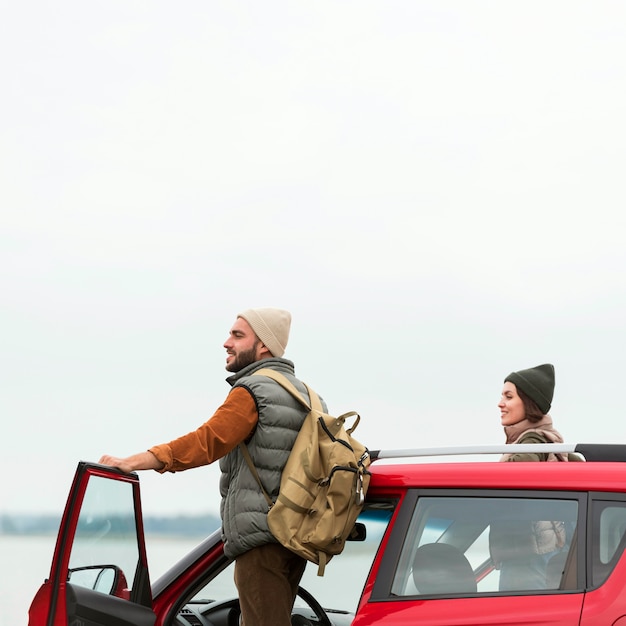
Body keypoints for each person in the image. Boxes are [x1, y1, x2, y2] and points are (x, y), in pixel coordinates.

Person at [99, 307, 321, 626]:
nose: (226, 342)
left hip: (262, 538)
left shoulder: (253, 391)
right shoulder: (307, 396)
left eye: (238, 335)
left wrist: (136, 460)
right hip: (295, 538)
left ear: (264, 346)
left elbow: (206, 441)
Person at [491, 363, 570, 591]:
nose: (500, 403)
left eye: (508, 396)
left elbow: (512, 478)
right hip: (534, 552)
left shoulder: (533, 440)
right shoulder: (541, 439)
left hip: (527, 555)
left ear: (528, 401)